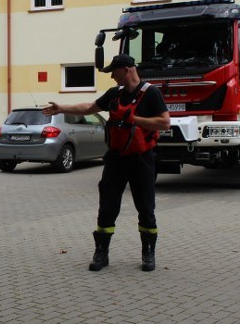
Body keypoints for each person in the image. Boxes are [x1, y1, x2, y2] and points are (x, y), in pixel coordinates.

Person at [43, 54, 170, 272]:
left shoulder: (151, 93)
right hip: (116, 159)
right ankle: (101, 253)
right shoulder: (114, 94)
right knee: (107, 208)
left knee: (146, 208)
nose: (112, 76)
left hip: (142, 160)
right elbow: (89, 108)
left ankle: (148, 253)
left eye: (114, 72)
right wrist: (62, 108)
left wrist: (135, 120)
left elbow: (165, 122)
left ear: (127, 70)